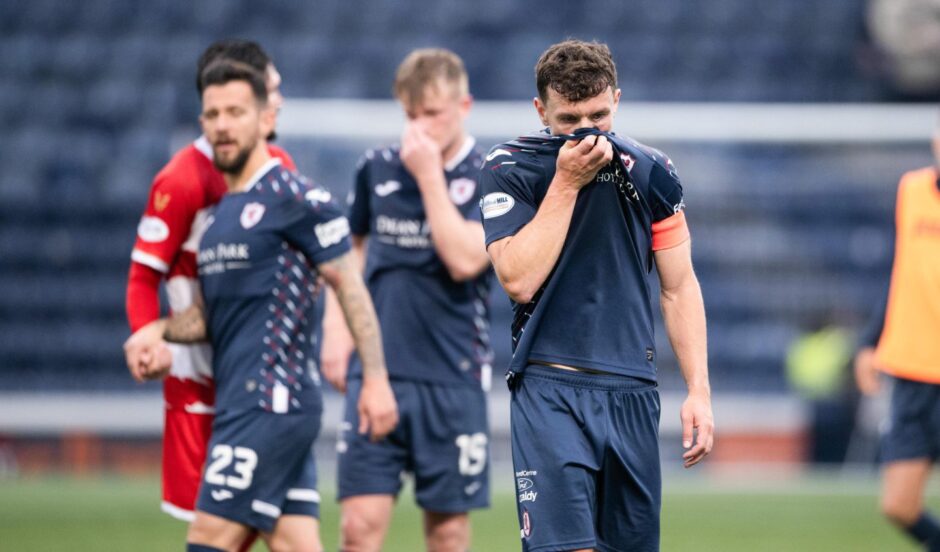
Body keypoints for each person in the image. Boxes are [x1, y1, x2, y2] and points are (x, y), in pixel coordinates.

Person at [127, 60, 398, 552]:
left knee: (208, 541)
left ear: (265, 120)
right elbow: (213, 316)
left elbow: (350, 287)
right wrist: (158, 332)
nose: (223, 125)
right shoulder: (222, 214)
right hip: (246, 403)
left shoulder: (297, 198)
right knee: (297, 544)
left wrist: (375, 380)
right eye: (212, 115)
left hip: (270, 403)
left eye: (235, 111)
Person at [478, 40, 714, 551]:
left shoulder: (652, 171)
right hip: (551, 389)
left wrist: (699, 389)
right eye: (569, 119)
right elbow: (517, 278)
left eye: (599, 115)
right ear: (541, 110)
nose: (586, 130)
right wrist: (566, 183)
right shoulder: (510, 167)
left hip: (632, 391)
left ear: (617, 100)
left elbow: (679, 285)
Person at [319, 48, 493, 552]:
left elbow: (464, 259)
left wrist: (428, 176)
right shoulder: (375, 168)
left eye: (432, 114)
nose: (419, 128)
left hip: (452, 377)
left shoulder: (491, 174)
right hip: (378, 372)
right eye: (410, 116)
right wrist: (334, 329)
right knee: (357, 528)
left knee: (448, 534)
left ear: (464, 107)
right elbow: (345, 255)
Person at [123, 39, 294, 524]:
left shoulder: (282, 171)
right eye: (273, 87)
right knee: (218, 531)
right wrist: (147, 336)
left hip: (268, 384)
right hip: (202, 386)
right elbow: (142, 276)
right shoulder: (181, 180)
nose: (279, 99)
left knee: (281, 528)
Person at [853, 116, 940, 551]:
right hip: (912, 371)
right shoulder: (912, 190)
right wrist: (871, 341)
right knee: (899, 505)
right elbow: (901, 270)